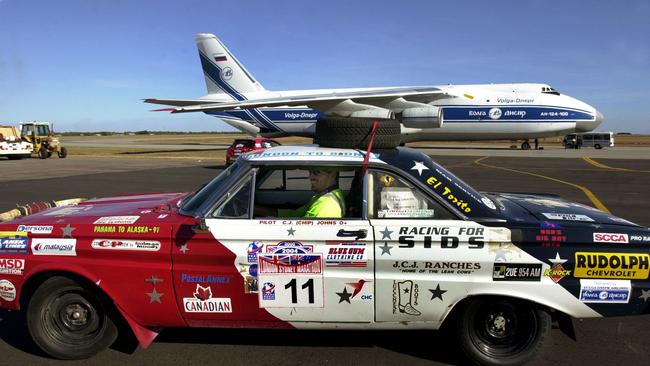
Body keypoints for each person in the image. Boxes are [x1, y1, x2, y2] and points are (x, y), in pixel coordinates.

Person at [255, 168, 345, 218]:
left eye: (316, 172)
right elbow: (295, 214)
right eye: (310, 172)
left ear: (332, 174)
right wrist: (259, 210)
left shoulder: (327, 205)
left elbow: (305, 234)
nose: (310, 176)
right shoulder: (323, 197)